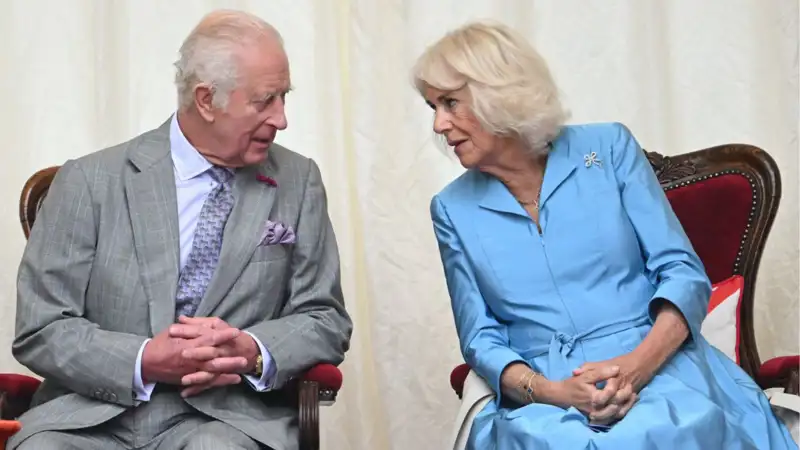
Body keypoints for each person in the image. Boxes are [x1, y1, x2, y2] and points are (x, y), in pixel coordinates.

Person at [413, 20, 797, 449]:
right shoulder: (451, 209)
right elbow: (479, 338)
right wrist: (554, 392)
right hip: (545, 395)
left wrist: (634, 369)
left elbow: (683, 273)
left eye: (450, 103)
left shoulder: (608, 148)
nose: (439, 125)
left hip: (659, 364)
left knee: (670, 429)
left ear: (497, 92)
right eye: (433, 107)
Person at [10, 9, 351, 450]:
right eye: (265, 100)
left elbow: (325, 318)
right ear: (206, 100)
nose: (282, 118)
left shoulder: (298, 181)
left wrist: (251, 349)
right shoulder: (89, 181)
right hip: (89, 415)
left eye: (284, 96)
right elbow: (41, 327)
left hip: (226, 418)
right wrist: (144, 359)